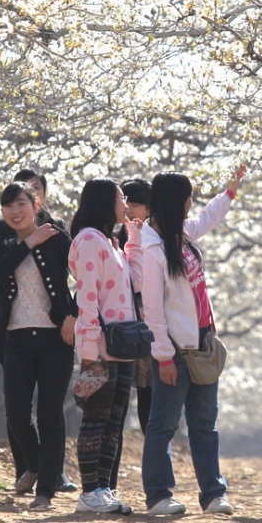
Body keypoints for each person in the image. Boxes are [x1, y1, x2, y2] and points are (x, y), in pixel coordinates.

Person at [128, 165, 246, 516]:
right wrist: (163, 356)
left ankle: (213, 494)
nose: (192, 204)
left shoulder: (183, 236)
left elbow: (209, 218)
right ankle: (159, 496)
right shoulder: (153, 250)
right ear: (176, 202)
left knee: (204, 424)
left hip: (203, 344)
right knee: (163, 425)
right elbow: (153, 309)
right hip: (176, 352)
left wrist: (230, 192)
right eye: (188, 198)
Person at [0, 181, 77, 510]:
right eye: (8, 206)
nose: (15, 211)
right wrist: (26, 244)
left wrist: (74, 316)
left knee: (50, 414)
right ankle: (34, 465)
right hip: (15, 337)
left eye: (21, 204)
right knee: (17, 413)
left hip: (55, 337)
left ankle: (45, 491)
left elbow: (90, 277)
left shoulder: (56, 234)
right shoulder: (1, 235)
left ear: (35, 204)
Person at [68, 179, 141, 515]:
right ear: (105, 201)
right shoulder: (87, 241)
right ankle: (88, 492)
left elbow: (137, 281)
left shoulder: (112, 242)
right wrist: (88, 348)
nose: (125, 202)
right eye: (120, 197)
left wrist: (134, 237)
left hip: (122, 344)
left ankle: (104, 489)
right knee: (96, 417)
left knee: (114, 420)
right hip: (99, 346)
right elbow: (87, 297)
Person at [119, 178, 153, 434]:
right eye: (125, 202)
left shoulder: (154, 238)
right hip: (122, 326)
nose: (129, 209)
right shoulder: (111, 239)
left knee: (149, 396)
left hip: (150, 325)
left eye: (136, 204)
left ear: (149, 209)